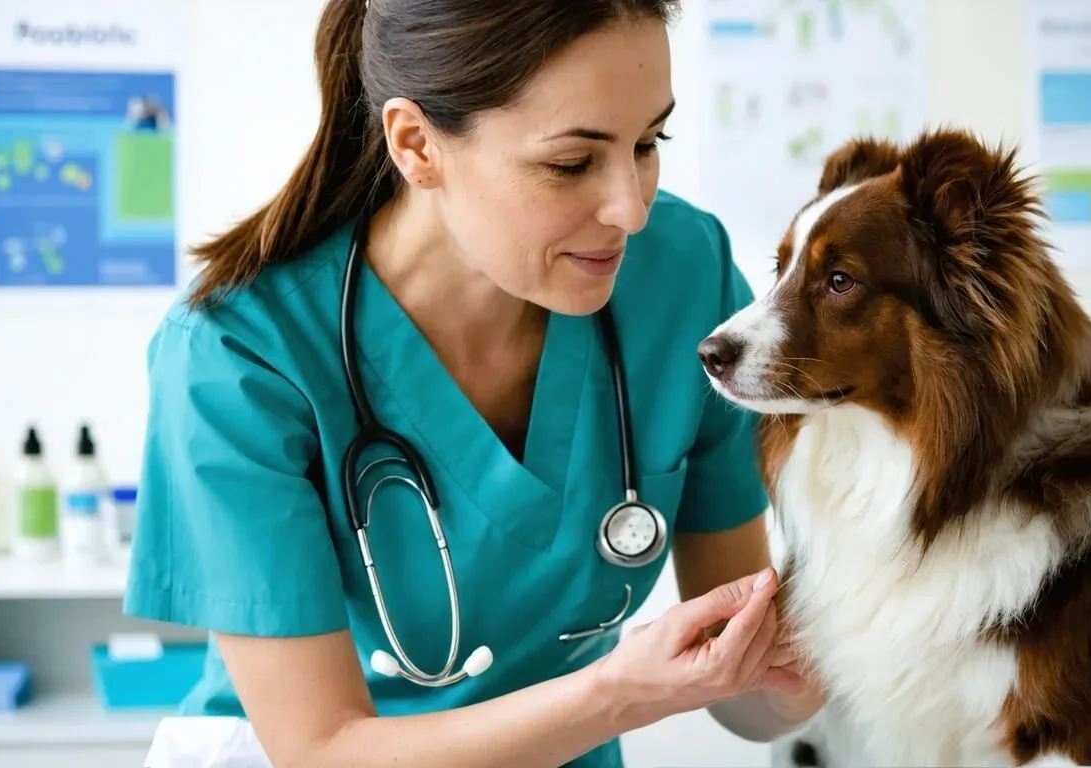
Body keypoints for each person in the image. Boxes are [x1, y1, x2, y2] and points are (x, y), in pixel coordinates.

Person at [123, 0, 824, 765]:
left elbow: (753, 698)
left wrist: (834, 643)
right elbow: (321, 749)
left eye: (650, 142)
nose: (630, 207)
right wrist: (621, 692)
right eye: (570, 163)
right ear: (417, 144)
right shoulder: (239, 354)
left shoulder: (683, 275)